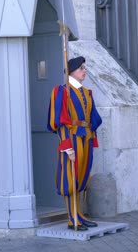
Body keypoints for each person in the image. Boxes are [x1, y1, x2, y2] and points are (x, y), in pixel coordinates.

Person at [47, 56, 102, 231]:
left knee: (81, 177)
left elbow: (93, 119)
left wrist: (91, 136)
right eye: (81, 68)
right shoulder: (62, 91)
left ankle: (79, 214)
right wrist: (66, 145)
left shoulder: (87, 93)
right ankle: (72, 218)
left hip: (85, 137)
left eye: (84, 68)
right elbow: (59, 120)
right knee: (70, 178)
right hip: (71, 139)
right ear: (71, 71)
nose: (84, 71)